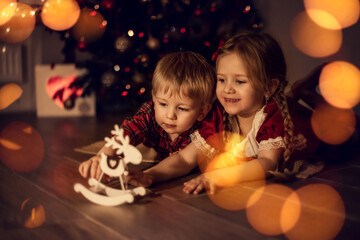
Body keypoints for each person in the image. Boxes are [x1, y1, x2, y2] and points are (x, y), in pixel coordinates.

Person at [126, 32, 322, 194]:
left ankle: (302, 94)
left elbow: (267, 162)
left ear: (269, 87)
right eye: (221, 80)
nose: (227, 89)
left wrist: (217, 176)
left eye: (239, 81)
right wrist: (151, 175)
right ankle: (296, 93)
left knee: (346, 129)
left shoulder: (273, 116)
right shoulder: (218, 115)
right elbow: (185, 159)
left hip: (319, 130)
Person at [78, 51, 216, 185]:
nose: (170, 115)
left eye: (182, 108)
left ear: (202, 112)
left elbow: (183, 161)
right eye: (163, 104)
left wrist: (149, 175)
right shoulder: (150, 114)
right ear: (154, 98)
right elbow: (128, 132)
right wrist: (103, 155)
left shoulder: (206, 128)